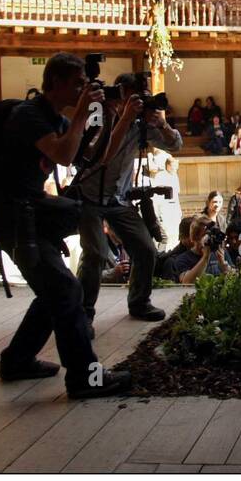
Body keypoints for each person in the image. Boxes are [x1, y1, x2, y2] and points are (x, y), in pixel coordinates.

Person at [0, 52, 131, 398]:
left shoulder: (53, 118)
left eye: (86, 84)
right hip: (15, 220)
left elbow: (95, 160)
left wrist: (119, 119)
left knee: (54, 290)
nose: (84, 89)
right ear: (54, 82)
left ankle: (17, 359)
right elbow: (63, 155)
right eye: (78, 83)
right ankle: (85, 377)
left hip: (31, 218)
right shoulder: (29, 116)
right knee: (67, 290)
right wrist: (83, 112)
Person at [72, 73, 181, 331]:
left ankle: (139, 302)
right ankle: (82, 314)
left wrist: (161, 124)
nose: (138, 103)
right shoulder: (100, 116)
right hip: (88, 197)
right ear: (120, 94)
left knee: (145, 249)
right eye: (133, 97)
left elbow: (175, 145)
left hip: (118, 199)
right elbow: (101, 155)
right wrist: (124, 117)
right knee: (96, 254)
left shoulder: (139, 126)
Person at [158, 214, 233, 283]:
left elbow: (234, 279)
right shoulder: (182, 259)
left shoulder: (221, 252)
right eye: (206, 235)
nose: (210, 238)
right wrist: (205, 258)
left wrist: (223, 264)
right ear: (195, 238)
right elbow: (187, 282)